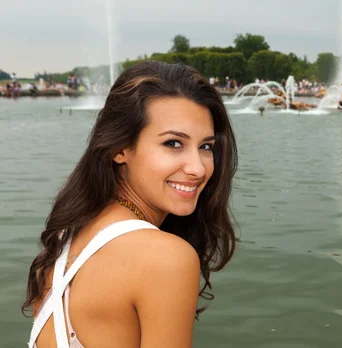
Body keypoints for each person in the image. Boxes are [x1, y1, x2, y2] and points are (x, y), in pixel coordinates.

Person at [24, 61, 238, 347]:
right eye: (173, 143)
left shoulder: (68, 236)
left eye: (206, 146)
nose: (198, 168)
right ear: (119, 149)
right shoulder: (166, 258)